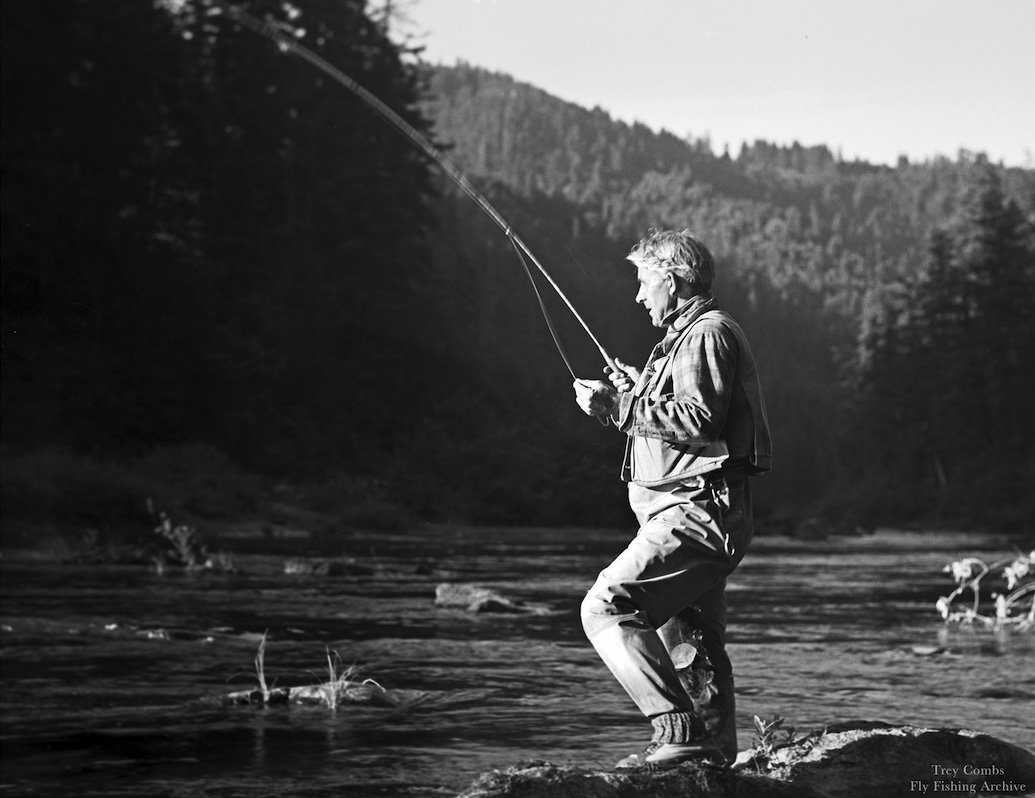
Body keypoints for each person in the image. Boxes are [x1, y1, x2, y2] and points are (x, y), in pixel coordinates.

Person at [572, 228, 771, 768]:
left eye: (644, 282)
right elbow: (689, 410)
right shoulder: (690, 338)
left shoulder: (707, 333)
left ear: (673, 278)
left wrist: (619, 407)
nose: (639, 296)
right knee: (691, 647)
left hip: (697, 512)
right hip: (693, 511)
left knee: (608, 607)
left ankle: (676, 730)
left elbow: (699, 420)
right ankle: (711, 763)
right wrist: (640, 388)